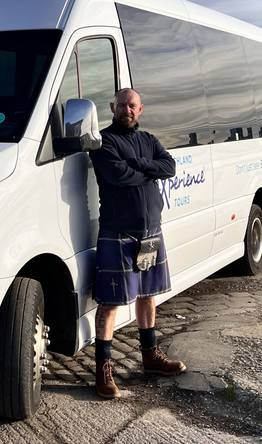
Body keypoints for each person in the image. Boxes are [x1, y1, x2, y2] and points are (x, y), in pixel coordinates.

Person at [88, 88, 186, 399]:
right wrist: (148, 169)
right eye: (121, 105)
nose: (127, 110)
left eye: (132, 106)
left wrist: (138, 166)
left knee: (147, 295)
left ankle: (150, 358)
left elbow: (169, 167)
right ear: (112, 107)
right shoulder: (104, 141)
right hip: (118, 232)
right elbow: (117, 175)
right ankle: (103, 369)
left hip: (150, 231)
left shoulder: (150, 140)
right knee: (111, 302)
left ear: (140, 109)